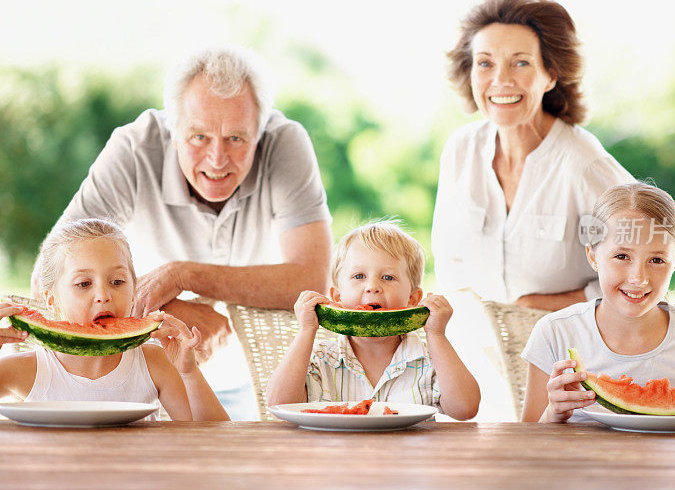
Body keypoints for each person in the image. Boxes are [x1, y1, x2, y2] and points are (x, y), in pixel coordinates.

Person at [54, 46, 333, 419]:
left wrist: (184, 275)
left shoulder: (286, 142)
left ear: (260, 131)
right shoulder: (135, 147)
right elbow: (54, 268)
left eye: (236, 138)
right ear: (172, 127)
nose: (217, 159)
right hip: (143, 373)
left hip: (251, 381)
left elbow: (310, 279)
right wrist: (163, 310)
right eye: (198, 137)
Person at [432, 0, 634, 311]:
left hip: (571, 352)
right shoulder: (460, 151)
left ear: (550, 75)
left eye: (521, 63)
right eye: (485, 63)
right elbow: (448, 260)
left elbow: (646, 267)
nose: (501, 80)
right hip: (480, 349)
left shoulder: (583, 164)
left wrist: (541, 305)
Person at [521, 183, 675, 423]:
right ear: (593, 256)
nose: (638, 278)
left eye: (657, 260)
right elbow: (527, 439)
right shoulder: (554, 333)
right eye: (621, 256)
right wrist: (552, 414)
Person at [0, 218, 228, 421]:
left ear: (133, 291)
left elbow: (214, 438)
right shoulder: (28, 369)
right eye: (84, 284)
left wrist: (189, 373)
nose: (103, 296)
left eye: (117, 282)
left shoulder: (154, 362)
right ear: (52, 301)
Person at [265, 221, 481, 420]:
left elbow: (465, 409)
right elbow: (279, 405)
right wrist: (306, 332)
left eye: (388, 277)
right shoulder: (322, 358)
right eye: (359, 276)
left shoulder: (428, 359)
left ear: (413, 299)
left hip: (411, 459)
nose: (372, 286)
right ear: (337, 298)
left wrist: (437, 334)